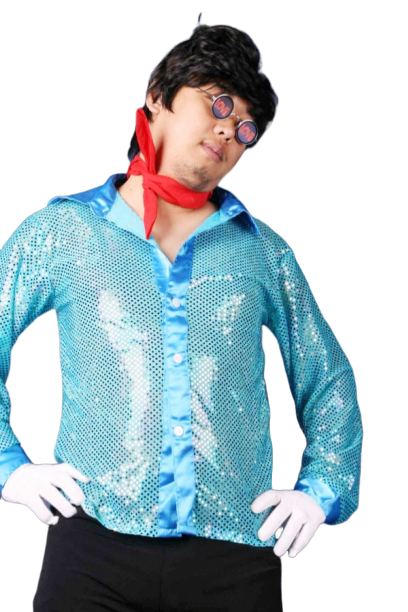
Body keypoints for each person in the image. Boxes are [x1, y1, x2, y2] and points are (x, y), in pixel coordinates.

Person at [0, 14, 363, 612]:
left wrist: (322, 488)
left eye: (246, 128)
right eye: (218, 104)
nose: (228, 131)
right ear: (157, 96)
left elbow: (327, 378)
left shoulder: (264, 251)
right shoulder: (63, 232)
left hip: (237, 553)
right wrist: (10, 467)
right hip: (92, 542)